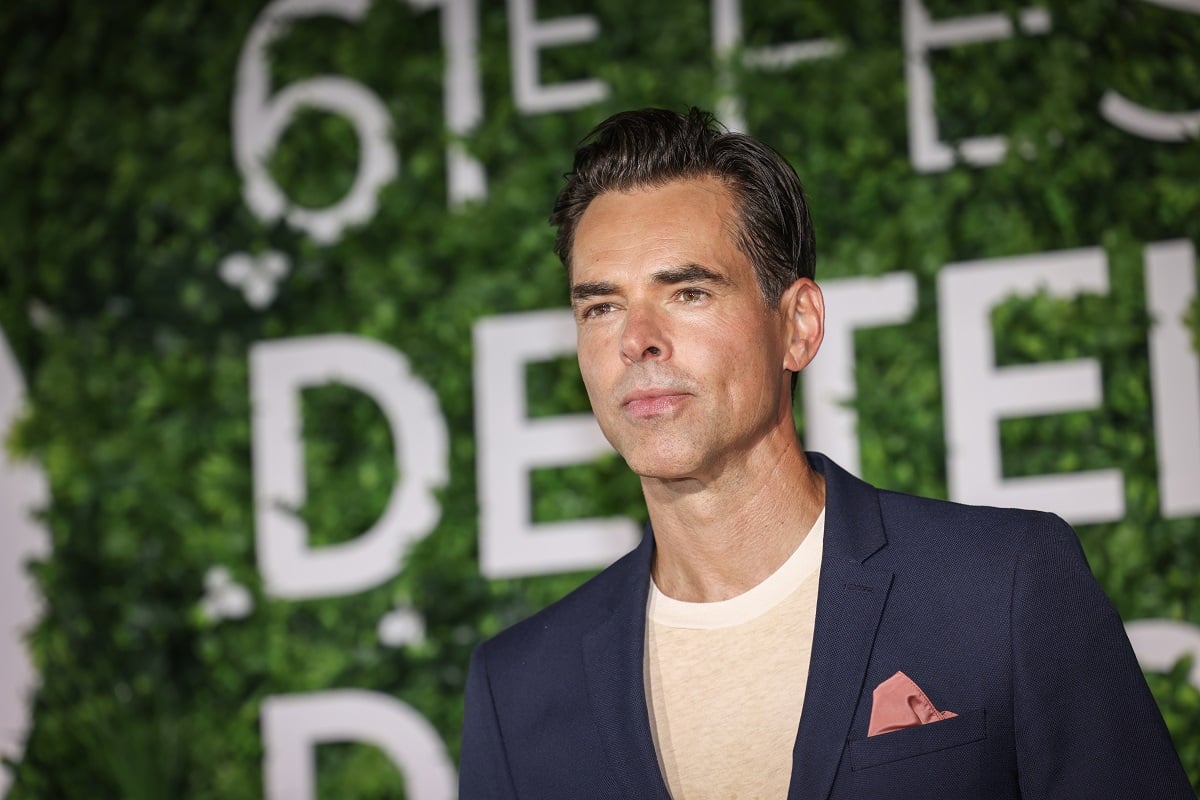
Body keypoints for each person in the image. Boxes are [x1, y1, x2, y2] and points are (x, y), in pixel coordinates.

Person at [459, 107, 1193, 799]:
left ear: (799, 325)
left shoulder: (1002, 586)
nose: (636, 339)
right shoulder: (517, 688)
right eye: (601, 306)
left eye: (687, 292)